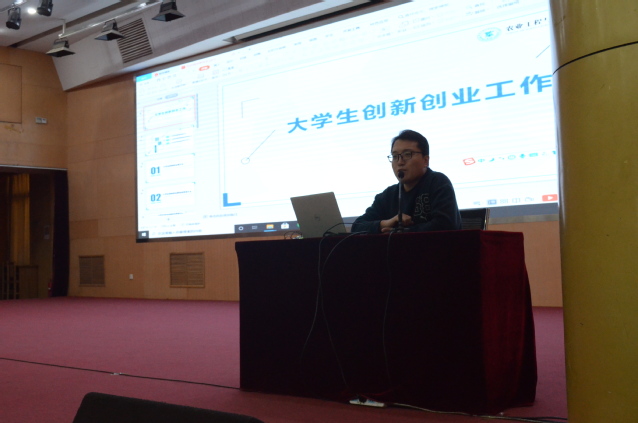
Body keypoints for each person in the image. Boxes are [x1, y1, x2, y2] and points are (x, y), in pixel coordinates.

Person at [352, 129, 462, 233]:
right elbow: (357, 226)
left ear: (425, 160)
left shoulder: (437, 182)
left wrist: (398, 232)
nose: (400, 162)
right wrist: (385, 223)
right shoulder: (388, 195)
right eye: (395, 156)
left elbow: (445, 225)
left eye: (407, 154)